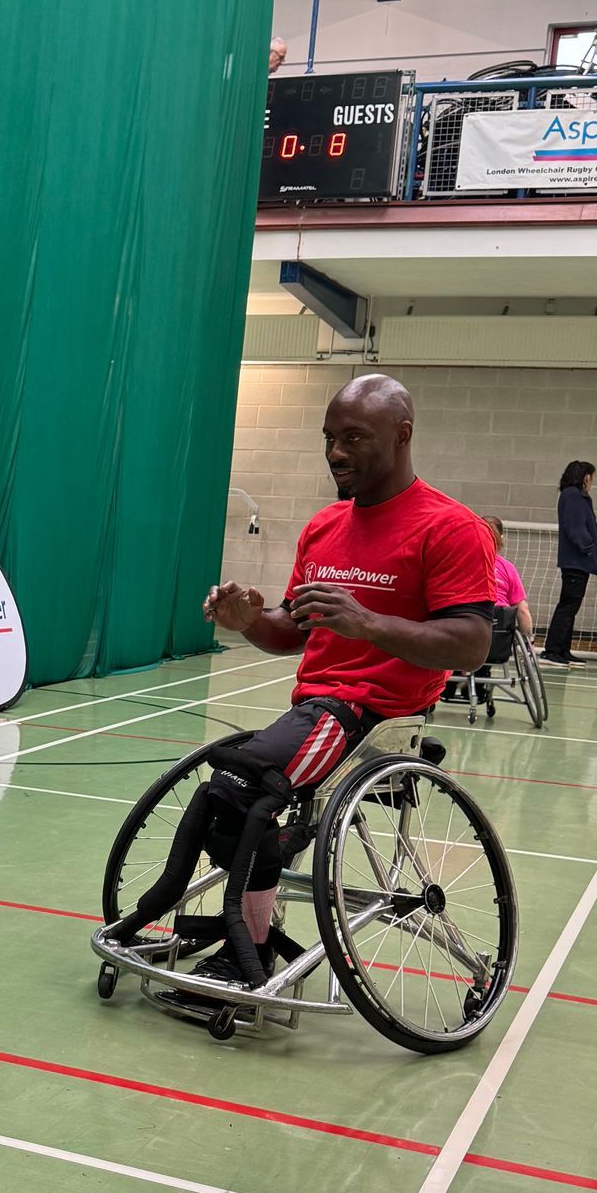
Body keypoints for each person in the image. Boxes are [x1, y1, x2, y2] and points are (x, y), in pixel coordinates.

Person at [201, 373, 493, 975]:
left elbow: (471, 644)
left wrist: (369, 623)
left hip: (375, 717)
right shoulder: (325, 526)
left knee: (242, 797)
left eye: (354, 438)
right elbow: (293, 630)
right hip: (315, 712)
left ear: (403, 434)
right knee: (224, 796)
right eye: (329, 437)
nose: (336, 452)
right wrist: (249, 619)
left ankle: (248, 949)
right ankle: (255, 912)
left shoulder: (449, 527)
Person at [539, 459, 597, 667]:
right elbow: (576, 528)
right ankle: (552, 650)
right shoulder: (573, 496)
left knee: (570, 607)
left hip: (578, 562)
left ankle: (563, 649)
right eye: (591, 477)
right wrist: (589, 547)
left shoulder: (573, 496)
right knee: (567, 607)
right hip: (575, 561)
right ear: (585, 477)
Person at [486, 515, 533, 639]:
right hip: (498, 632)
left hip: (467, 629)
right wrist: (529, 641)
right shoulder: (507, 568)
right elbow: (523, 610)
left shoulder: (463, 563)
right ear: (501, 538)